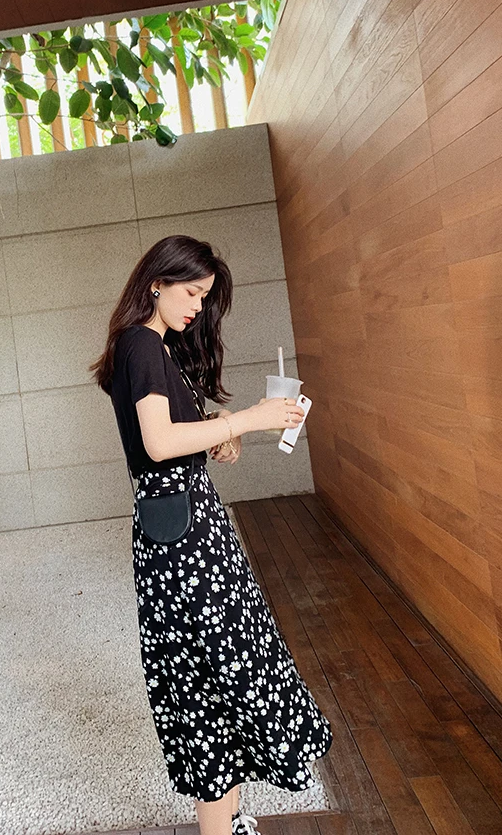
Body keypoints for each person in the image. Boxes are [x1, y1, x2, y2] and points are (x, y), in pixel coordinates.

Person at [90, 235, 333, 835]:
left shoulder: (157, 348)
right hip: (181, 543)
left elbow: (173, 436)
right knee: (208, 683)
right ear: (157, 283)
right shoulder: (141, 343)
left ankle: (231, 822)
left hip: (193, 528)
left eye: (205, 297)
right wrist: (247, 419)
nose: (198, 306)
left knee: (219, 679)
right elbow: (158, 443)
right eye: (193, 292)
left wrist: (220, 430)